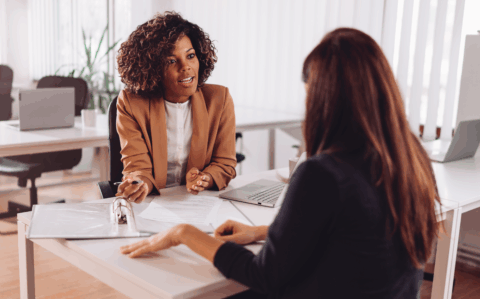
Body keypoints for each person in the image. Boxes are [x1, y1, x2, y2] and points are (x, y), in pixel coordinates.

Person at [119, 28, 441, 298]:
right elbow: (353, 230)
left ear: (322, 97)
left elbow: (264, 275)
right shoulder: (411, 158)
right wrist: (260, 231)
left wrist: (184, 233)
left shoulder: (321, 174)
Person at [115, 12, 237, 203]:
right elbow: (138, 166)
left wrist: (205, 179)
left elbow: (224, 163)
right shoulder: (131, 103)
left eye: (190, 56)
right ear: (153, 69)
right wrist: (139, 183)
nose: (186, 67)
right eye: (172, 61)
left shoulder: (219, 100)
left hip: (199, 203)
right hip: (153, 202)